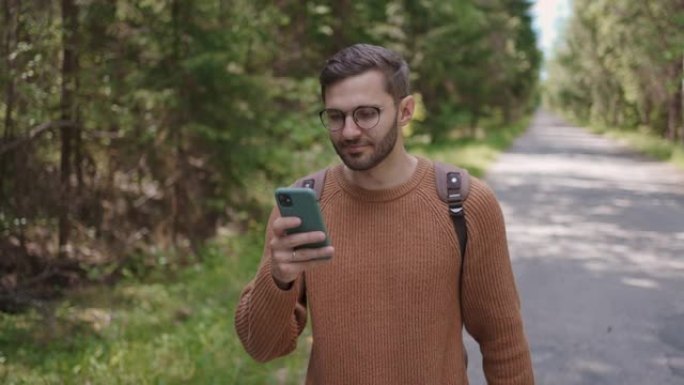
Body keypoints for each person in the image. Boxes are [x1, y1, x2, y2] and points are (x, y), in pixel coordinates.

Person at [234, 43, 534, 385]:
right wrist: (277, 279)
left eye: (366, 114)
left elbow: (503, 341)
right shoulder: (305, 206)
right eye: (336, 116)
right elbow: (262, 347)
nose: (348, 131)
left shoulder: (465, 203)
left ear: (405, 111)